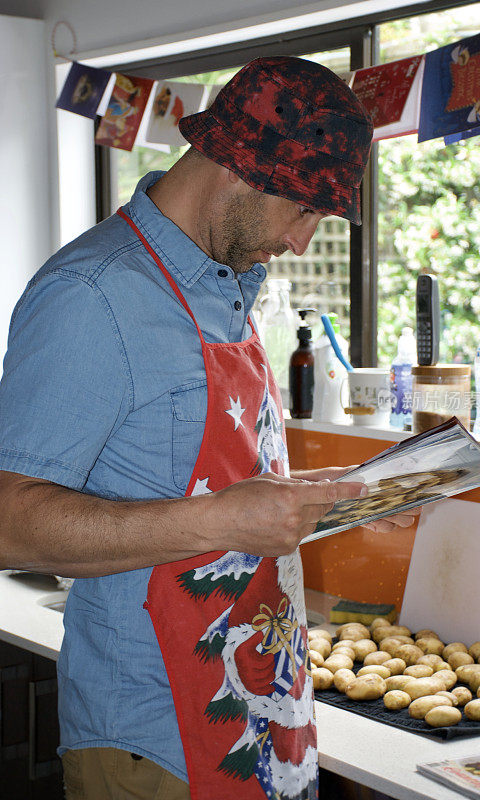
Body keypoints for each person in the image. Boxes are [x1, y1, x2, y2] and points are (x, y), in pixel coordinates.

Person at [0, 55, 418, 800]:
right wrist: (216, 519)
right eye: (304, 210)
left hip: (263, 719)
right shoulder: (92, 298)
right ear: (239, 167)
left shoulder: (226, 285)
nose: (300, 241)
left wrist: (292, 500)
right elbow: (8, 523)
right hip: (156, 737)